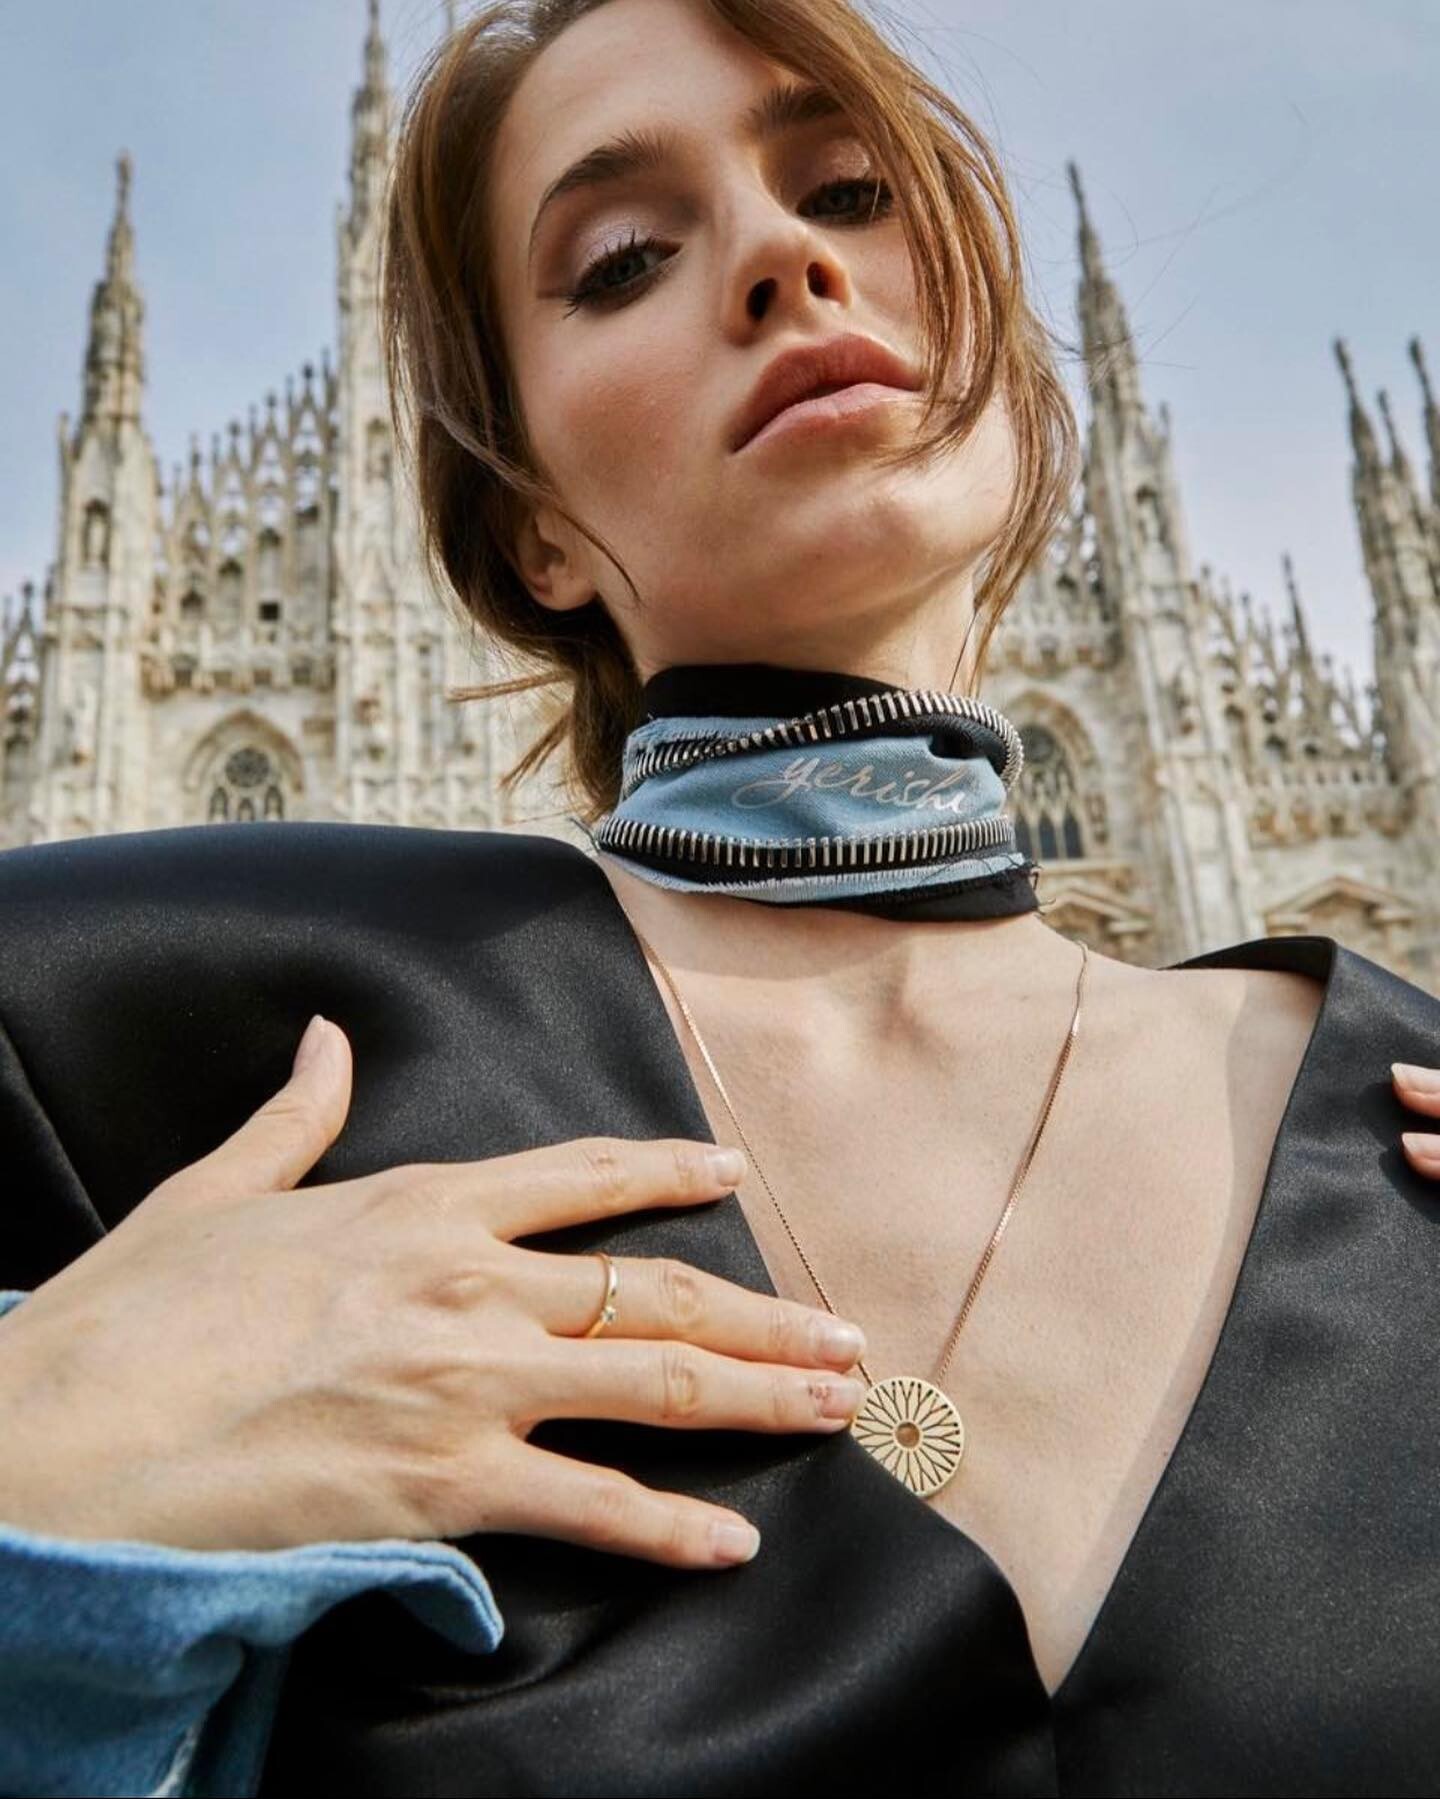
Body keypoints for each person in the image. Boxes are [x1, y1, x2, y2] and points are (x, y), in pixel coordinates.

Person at [2, 0, 1439, 1793]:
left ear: (1004, 353)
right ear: (523, 518)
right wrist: (45, 1444)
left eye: (850, 190)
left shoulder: (1391, 1127)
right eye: (622, 259)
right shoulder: (151, 1012)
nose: (781, 257)